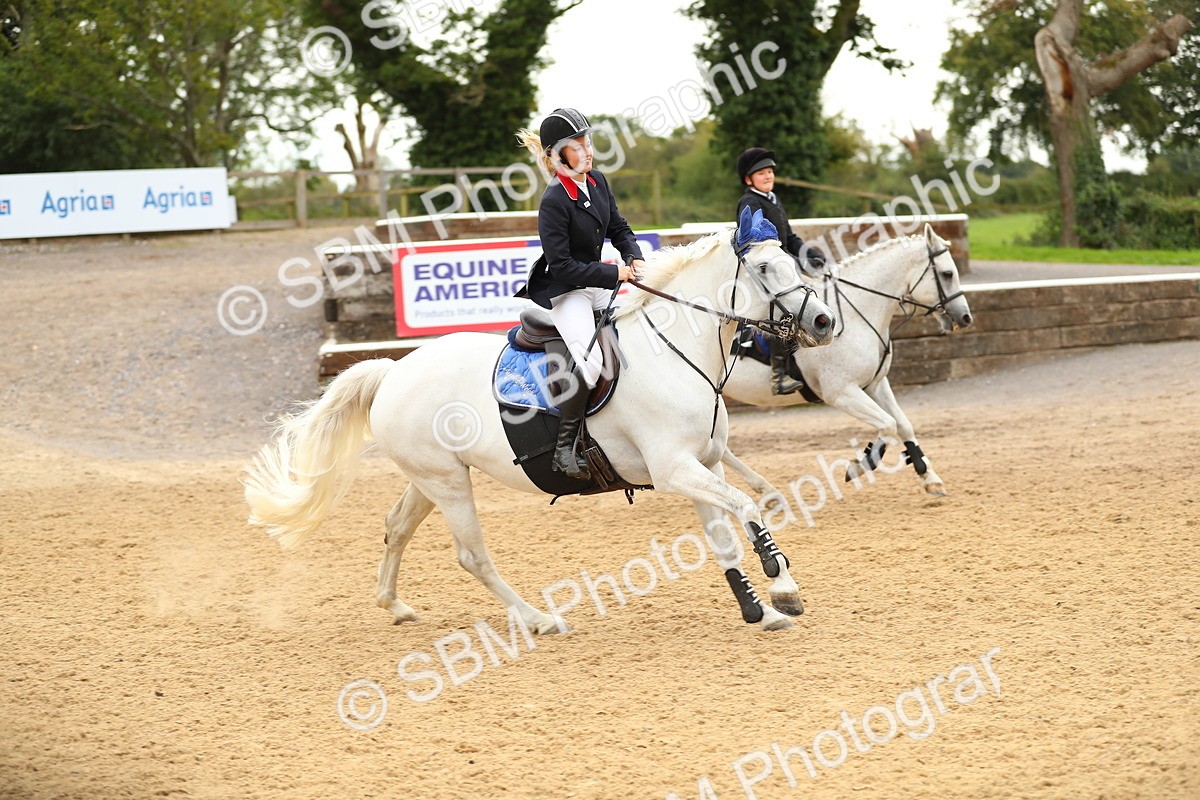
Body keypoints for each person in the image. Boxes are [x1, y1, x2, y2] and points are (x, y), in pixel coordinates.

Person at [515, 108, 645, 480]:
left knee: (638, 329)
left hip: (596, 283)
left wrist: (633, 256)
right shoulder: (553, 201)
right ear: (558, 156)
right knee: (590, 363)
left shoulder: (598, 181)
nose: (588, 151)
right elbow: (563, 267)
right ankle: (564, 448)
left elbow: (619, 227)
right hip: (568, 290)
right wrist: (614, 272)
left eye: (588, 142)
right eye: (578, 146)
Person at [735, 146, 826, 395]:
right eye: (761, 173)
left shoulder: (773, 200)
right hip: (765, 272)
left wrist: (813, 256)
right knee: (783, 309)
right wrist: (791, 262)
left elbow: (791, 238)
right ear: (749, 179)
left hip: (783, 265)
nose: (768, 176)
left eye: (770, 172)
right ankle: (779, 375)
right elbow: (756, 247)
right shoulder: (750, 202)